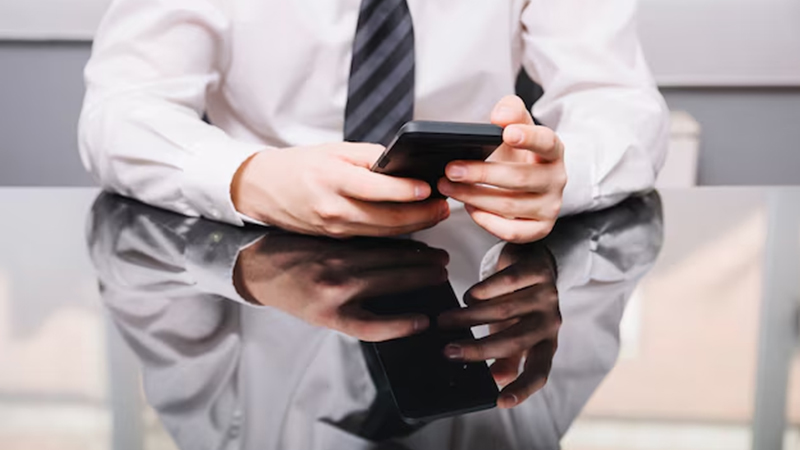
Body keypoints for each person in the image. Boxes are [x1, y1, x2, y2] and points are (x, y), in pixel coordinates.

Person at [78, 0, 669, 244]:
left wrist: (564, 173)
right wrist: (248, 177)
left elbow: (619, 99)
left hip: (473, 246)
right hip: (262, 248)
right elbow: (120, 110)